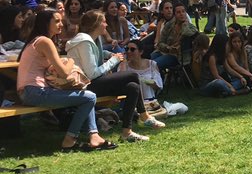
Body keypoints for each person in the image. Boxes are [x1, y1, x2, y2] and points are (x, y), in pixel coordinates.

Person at [16, 9, 116, 152]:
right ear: (45, 23)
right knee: (89, 97)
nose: (61, 24)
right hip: (35, 92)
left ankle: (94, 136)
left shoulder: (36, 40)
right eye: (56, 21)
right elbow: (64, 73)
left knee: (85, 96)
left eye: (61, 21)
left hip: (30, 92)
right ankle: (71, 140)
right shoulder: (44, 41)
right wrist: (69, 61)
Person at [67, 10, 165, 141]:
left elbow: (94, 54)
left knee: (132, 87)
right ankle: (144, 115)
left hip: (94, 82)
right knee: (132, 76)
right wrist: (113, 61)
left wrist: (108, 55)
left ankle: (127, 132)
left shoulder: (92, 40)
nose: (106, 25)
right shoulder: (84, 41)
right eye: (103, 21)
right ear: (96, 24)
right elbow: (92, 73)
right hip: (85, 85)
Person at [121, 42, 166, 114]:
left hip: (150, 101)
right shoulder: (124, 66)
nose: (128, 52)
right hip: (131, 102)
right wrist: (123, 62)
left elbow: (158, 85)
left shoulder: (152, 64)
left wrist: (143, 80)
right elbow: (121, 82)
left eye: (132, 49)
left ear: (141, 52)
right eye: (127, 49)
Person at [151, 3, 196, 71]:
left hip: (179, 57)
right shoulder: (169, 25)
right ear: (174, 14)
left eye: (183, 11)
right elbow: (160, 42)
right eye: (178, 12)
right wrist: (168, 48)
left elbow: (186, 34)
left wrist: (185, 24)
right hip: (165, 51)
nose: (181, 14)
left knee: (154, 65)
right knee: (149, 61)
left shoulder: (191, 28)